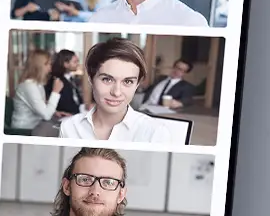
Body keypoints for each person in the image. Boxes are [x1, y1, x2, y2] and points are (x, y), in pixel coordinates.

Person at [11, 149, 159, 216]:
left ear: (120, 194)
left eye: (108, 182)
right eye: (85, 179)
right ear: (67, 186)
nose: (95, 191)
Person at [59, 39, 187, 145]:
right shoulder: (69, 127)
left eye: (128, 82)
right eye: (107, 79)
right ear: (91, 79)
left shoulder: (155, 133)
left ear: (137, 85)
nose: (117, 92)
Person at [10, 49, 60, 132]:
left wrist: (54, 112)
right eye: (47, 64)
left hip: (37, 125)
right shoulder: (28, 86)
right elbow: (46, 115)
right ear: (39, 66)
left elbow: (41, 106)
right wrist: (55, 91)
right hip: (25, 130)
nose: (50, 68)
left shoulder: (37, 84)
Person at [48, 48, 85, 117]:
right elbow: (63, 104)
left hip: (76, 114)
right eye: (75, 62)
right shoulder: (57, 81)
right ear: (66, 64)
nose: (78, 64)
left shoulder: (71, 78)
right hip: (65, 116)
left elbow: (77, 99)